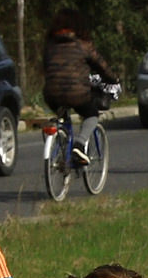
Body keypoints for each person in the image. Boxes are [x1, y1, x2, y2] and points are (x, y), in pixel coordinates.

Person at [39, 9, 118, 167]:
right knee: (91, 114)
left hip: (51, 94)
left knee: (61, 115)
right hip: (78, 94)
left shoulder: (50, 46)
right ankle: (79, 145)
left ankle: (61, 146)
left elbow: (46, 68)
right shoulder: (83, 45)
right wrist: (113, 79)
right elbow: (101, 66)